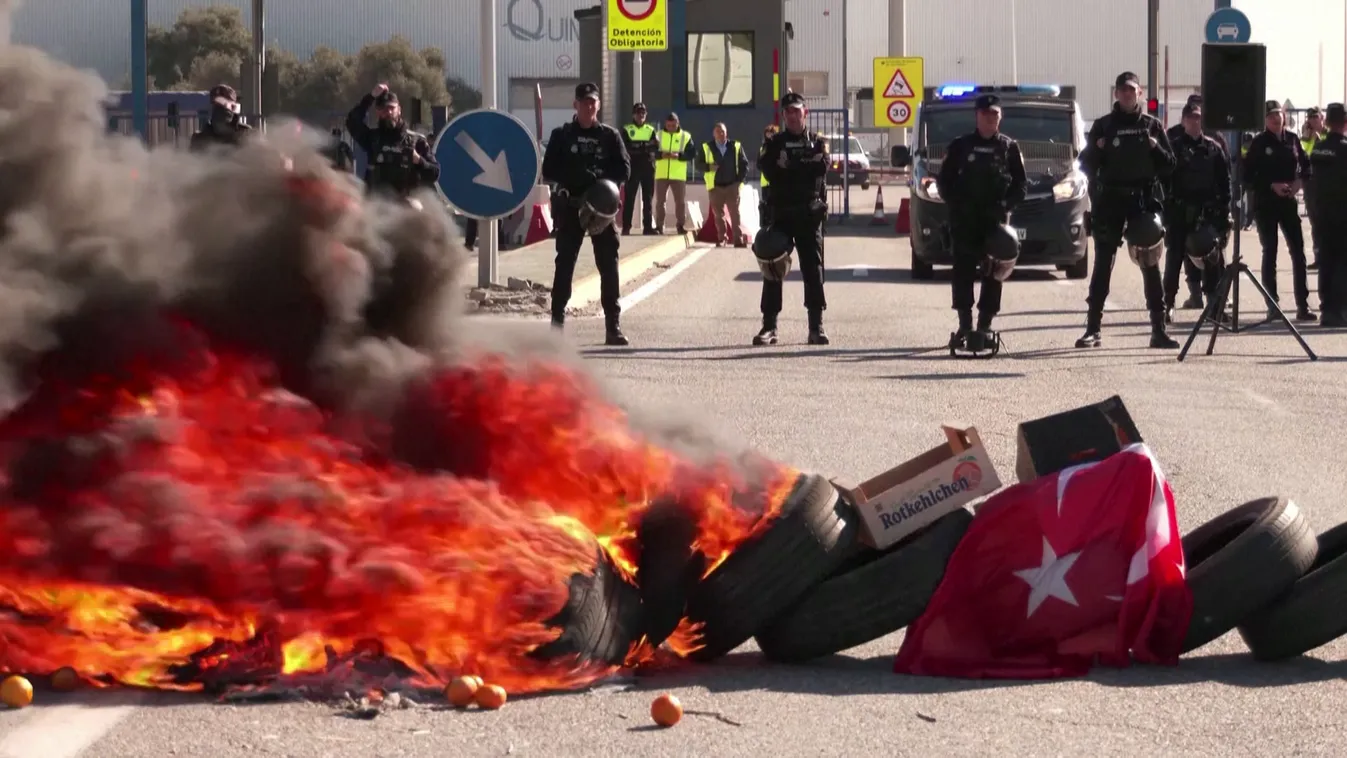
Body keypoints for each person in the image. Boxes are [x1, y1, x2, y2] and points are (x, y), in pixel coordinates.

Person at [1075, 71, 1178, 349]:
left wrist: (1155, 148)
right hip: (1110, 200)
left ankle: (1158, 329)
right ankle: (1093, 328)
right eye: (1122, 91)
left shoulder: (1152, 125)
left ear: (1139, 93)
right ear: (1116, 94)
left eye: (1131, 90)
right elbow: (1084, 164)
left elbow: (1170, 165)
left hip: (1141, 201)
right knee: (1102, 264)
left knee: (1149, 262)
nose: (1127, 95)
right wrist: (1097, 149)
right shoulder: (1103, 126)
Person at [541, 82, 632, 346]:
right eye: (584, 102)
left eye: (593, 102)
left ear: (598, 105)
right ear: (575, 105)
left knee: (609, 265)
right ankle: (556, 323)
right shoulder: (562, 135)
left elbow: (624, 170)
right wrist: (576, 176)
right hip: (571, 208)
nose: (589, 107)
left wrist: (603, 182)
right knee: (565, 265)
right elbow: (549, 169)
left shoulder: (610, 136)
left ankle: (612, 326)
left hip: (602, 211)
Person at [935, 94, 1027, 350]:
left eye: (995, 115)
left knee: (993, 273)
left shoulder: (1009, 148)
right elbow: (944, 182)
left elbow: (1021, 186)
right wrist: (956, 204)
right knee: (963, 271)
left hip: (994, 222)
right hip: (965, 221)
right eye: (986, 114)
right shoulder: (960, 146)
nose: (990, 119)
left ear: (1000, 117)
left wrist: (1005, 205)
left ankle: (985, 324)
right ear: (977, 116)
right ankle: (965, 323)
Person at [754, 92, 830, 345]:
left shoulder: (819, 141)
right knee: (772, 268)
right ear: (784, 116)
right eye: (788, 112)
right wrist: (802, 165)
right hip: (782, 214)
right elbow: (768, 169)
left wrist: (791, 166)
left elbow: (822, 167)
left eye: (797, 111)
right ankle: (769, 326)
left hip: (809, 215)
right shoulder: (774, 142)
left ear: (805, 113)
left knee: (813, 270)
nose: (793, 116)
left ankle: (816, 327)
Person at [1243, 100, 1314, 321]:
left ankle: (1303, 305)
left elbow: (1306, 166)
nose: (1275, 118)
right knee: (1270, 251)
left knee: (1298, 252)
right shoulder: (1258, 143)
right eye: (1271, 115)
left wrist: (1298, 183)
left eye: (1278, 114)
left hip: (1288, 202)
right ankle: (1272, 304)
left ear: (1284, 116)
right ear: (1265, 119)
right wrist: (1270, 184)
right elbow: (1247, 177)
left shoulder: (1293, 140)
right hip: (1266, 204)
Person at [1162, 101, 1231, 322]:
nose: (1195, 121)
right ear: (1183, 121)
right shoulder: (1173, 147)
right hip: (1180, 213)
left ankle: (1215, 305)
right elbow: (1162, 181)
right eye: (1191, 117)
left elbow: (1224, 182)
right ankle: (1168, 304)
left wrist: (1224, 212)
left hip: (1206, 213)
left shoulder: (1213, 148)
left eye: (1198, 117)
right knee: (1174, 258)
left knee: (1212, 259)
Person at [345, 84, 440, 199]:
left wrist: (418, 160)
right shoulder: (372, 139)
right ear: (378, 113)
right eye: (384, 109)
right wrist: (370, 97)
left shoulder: (416, 141)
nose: (388, 113)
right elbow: (352, 122)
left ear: (399, 110)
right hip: (377, 205)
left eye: (391, 108)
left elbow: (434, 173)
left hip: (406, 207)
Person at [1307, 103, 1347, 326]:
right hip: (1342, 213)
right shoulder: (1344, 149)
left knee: (1326, 260)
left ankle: (1326, 307)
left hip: (1321, 212)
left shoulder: (1319, 149)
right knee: (1342, 261)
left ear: (1327, 122)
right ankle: (1339, 309)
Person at [699, 122, 750, 247]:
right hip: (715, 186)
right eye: (717, 131)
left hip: (732, 185)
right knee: (718, 215)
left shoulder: (736, 146)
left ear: (726, 133)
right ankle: (722, 238)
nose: (720, 134)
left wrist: (739, 181)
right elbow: (698, 164)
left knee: (735, 214)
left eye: (722, 131)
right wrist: (709, 167)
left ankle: (738, 239)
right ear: (713, 134)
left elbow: (744, 165)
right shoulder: (706, 147)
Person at [653, 113, 694, 235]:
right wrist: (661, 155)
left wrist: (679, 156)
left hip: (678, 175)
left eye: (673, 125)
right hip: (661, 174)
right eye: (669, 125)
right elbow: (652, 152)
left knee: (680, 202)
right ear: (665, 123)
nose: (671, 127)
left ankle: (680, 225)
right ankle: (660, 226)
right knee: (660, 202)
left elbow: (691, 153)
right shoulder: (658, 135)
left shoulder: (685, 136)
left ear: (678, 123)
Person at [621, 103, 658, 235]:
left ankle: (647, 227)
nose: (641, 115)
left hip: (648, 168)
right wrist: (644, 146)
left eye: (643, 113)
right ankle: (626, 227)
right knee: (629, 198)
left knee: (648, 199)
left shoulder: (650, 130)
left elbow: (655, 147)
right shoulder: (627, 129)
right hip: (633, 168)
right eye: (638, 113)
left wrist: (638, 146)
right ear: (633, 114)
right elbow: (626, 148)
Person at [1300, 107, 1328, 269]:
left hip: (1327, 185)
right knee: (1315, 224)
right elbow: (1304, 155)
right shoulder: (1308, 136)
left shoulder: (1328, 133)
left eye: (1315, 117)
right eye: (1310, 118)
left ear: (1322, 118)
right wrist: (1306, 138)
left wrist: (1320, 138)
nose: (1313, 120)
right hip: (1312, 185)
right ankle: (1319, 257)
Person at [189, 84, 251, 152]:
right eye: (216, 105)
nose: (219, 110)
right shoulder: (200, 137)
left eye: (224, 104)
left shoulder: (244, 132)